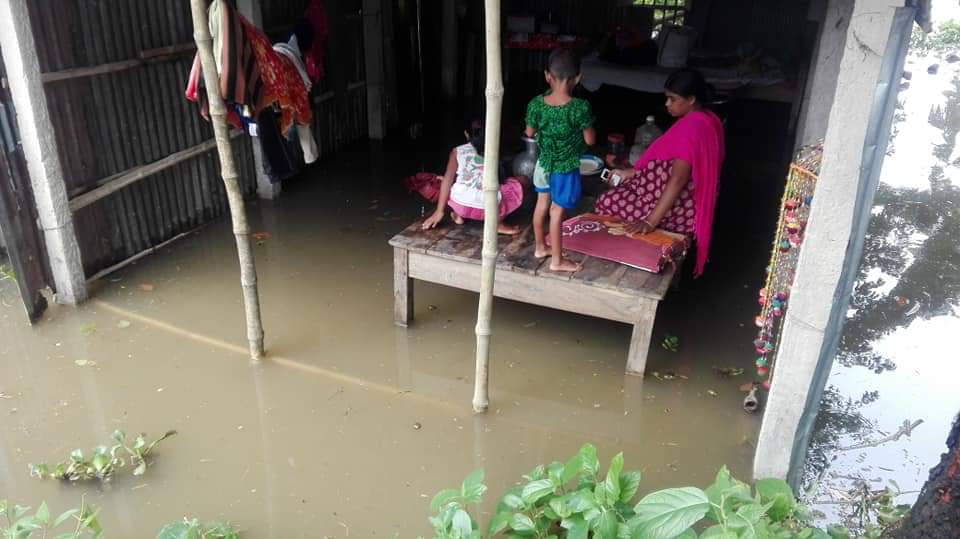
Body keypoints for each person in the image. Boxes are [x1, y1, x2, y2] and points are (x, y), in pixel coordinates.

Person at [595, 68, 725, 276]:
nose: (667, 104)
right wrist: (634, 173)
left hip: (679, 210)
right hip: (675, 197)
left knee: (606, 202)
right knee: (620, 182)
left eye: (672, 99)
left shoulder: (692, 130)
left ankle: (628, 255)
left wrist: (650, 222)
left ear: (691, 99)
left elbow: (678, 181)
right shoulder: (707, 119)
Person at [525, 49, 597, 272]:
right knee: (557, 212)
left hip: (543, 163)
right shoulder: (580, 107)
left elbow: (529, 132)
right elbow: (590, 140)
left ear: (548, 75)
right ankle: (557, 261)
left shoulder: (536, 103)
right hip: (565, 167)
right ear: (578, 78)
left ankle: (540, 247)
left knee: (542, 205)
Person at [422, 121, 523, 234]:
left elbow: (447, 180)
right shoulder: (496, 148)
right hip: (488, 210)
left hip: (461, 205)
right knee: (521, 182)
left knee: (452, 182)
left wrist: (439, 211)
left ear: (466, 134)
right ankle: (497, 224)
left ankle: (459, 215)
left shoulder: (457, 151)